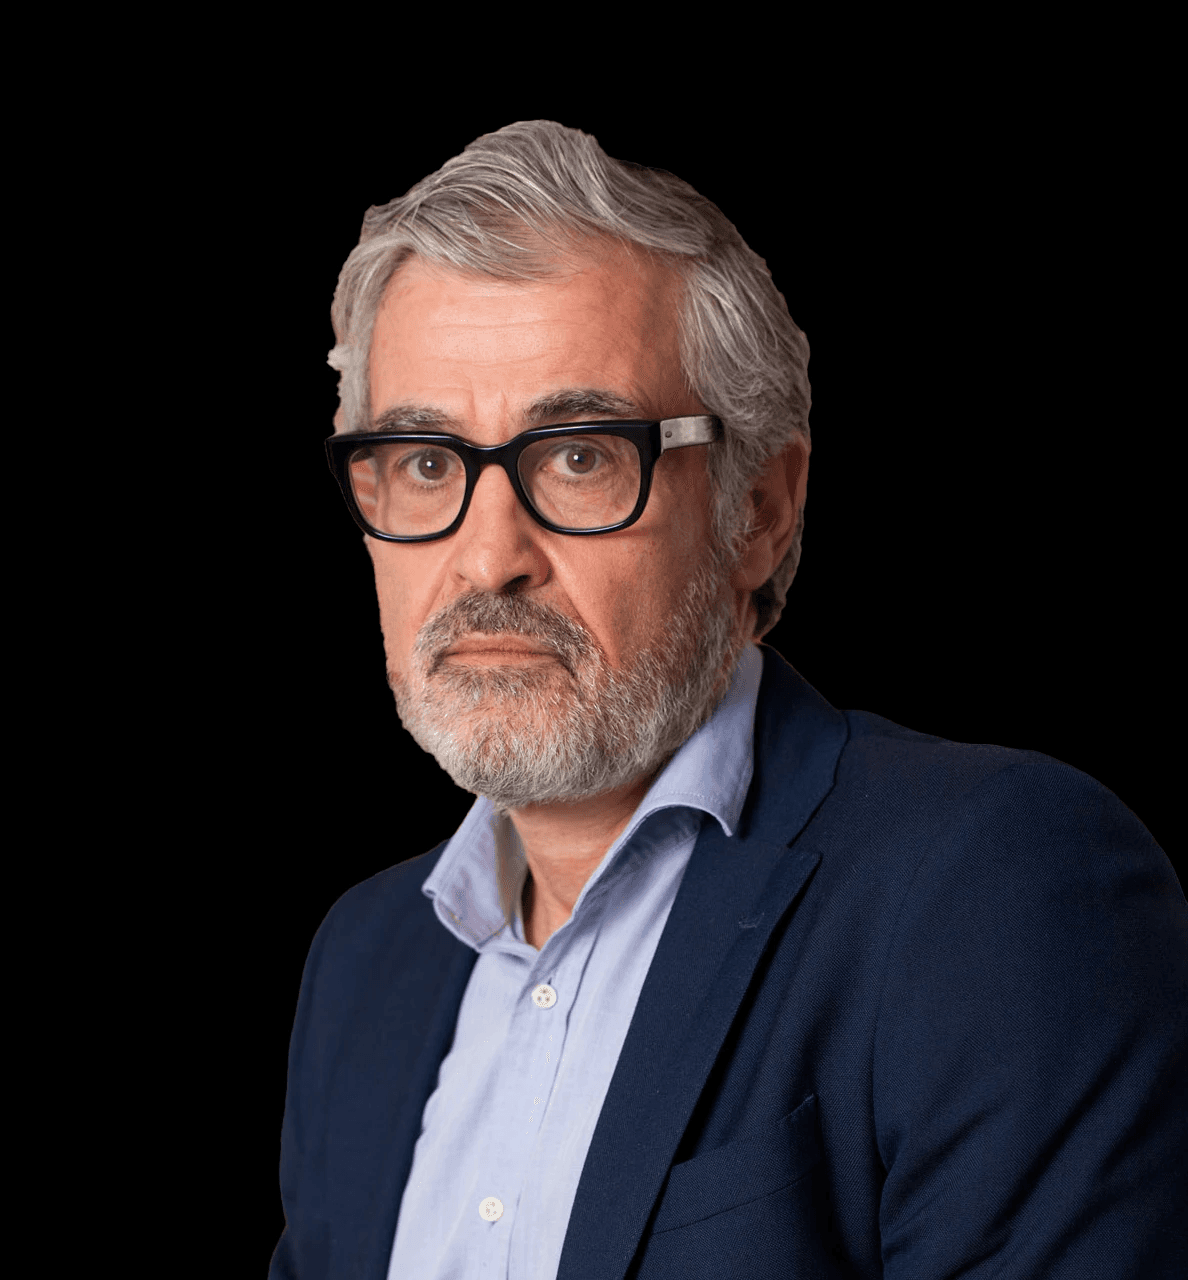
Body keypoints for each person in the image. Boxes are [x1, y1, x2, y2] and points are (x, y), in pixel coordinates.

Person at [270, 121, 1186, 1279]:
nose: (488, 557)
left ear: (759, 508)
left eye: (581, 455)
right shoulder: (362, 962)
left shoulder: (995, 890)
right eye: (425, 462)